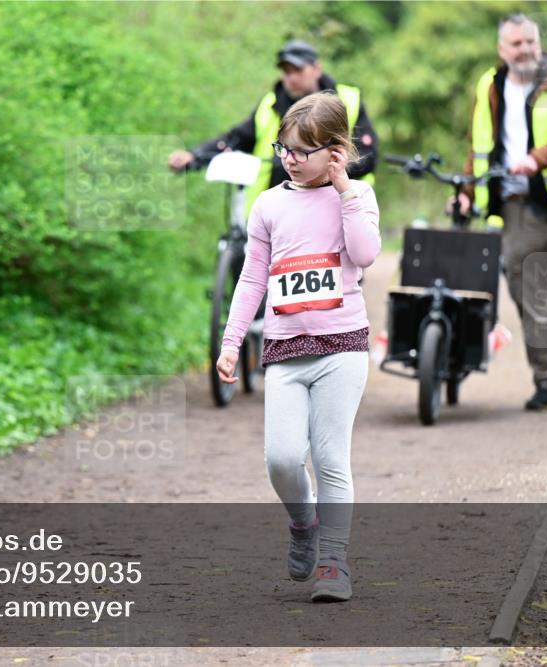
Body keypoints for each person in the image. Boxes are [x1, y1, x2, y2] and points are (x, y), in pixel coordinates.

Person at [215, 91, 381, 602]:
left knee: (332, 458)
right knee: (282, 460)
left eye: (301, 150)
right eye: (282, 147)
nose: (288, 157)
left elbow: (365, 253)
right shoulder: (269, 204)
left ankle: (334, 560)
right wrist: (230, 339)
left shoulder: (357, 197)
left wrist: (344, 189)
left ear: (334, 151)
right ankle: (303, 521)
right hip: (287, 352)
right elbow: (251, 279)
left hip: (343, 349)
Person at [451, 14, 547, 411]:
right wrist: (467, 191)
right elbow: (478, 146)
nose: (526, 49)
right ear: (502, 50)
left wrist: (537, 159)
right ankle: (545, 381)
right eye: (517, 44)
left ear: (539, 42)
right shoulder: (490, 86)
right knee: (532, 302)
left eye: (530, 41)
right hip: (517, 213)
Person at [167, 39, 378, 214]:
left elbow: (367, 157)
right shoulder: (270, 103)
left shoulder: (349, 100)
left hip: (334, 206)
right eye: (285, 71)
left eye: (297, 69)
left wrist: (323, 175)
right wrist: (194, 156)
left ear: (316, 69)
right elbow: (237, 139)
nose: (291, 77)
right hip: (276, 207)